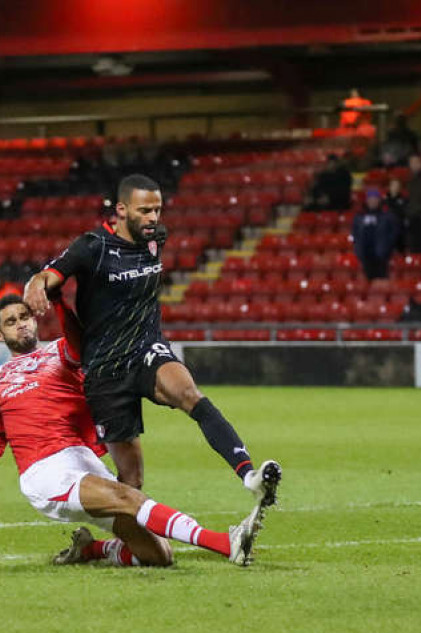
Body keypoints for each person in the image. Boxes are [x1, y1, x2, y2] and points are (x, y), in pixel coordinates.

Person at [0, 295, 264, 567]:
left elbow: (78, 345)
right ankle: (225, 543)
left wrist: (59, 303)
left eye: (25, 317)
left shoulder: (59, 353)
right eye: (11, 322)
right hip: (44, 471)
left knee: (158, 555)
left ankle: (90, 549)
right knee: (129, 498)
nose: (21, 325)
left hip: (82, 462)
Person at [23, 174, 282, 503]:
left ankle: (250, 476)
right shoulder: (92, 247)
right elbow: (50, 274)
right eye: (144, 210)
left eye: (157, 210)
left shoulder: (156, 238)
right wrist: (35, 285)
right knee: (133, 479)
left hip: (146, 348)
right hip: (105, 369)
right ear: (121, 209)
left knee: (188, 393)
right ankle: (109, 541)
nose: (153, 218)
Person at [351, 189, 398, 280]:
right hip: (365, 255)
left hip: (381, 256)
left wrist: (387, 246)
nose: (372, 201)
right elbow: (355, 233)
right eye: (370, 199)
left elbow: (393, 233)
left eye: (375, 199)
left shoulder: (387, 217)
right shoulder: (359, 217)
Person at [384, 178, 408, 252]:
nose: (395, 188)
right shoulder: (383, 201)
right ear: (389, 187)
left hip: (399, 231)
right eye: (393, 185)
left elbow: (404, 214)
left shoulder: (404, 201)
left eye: (397, 186)